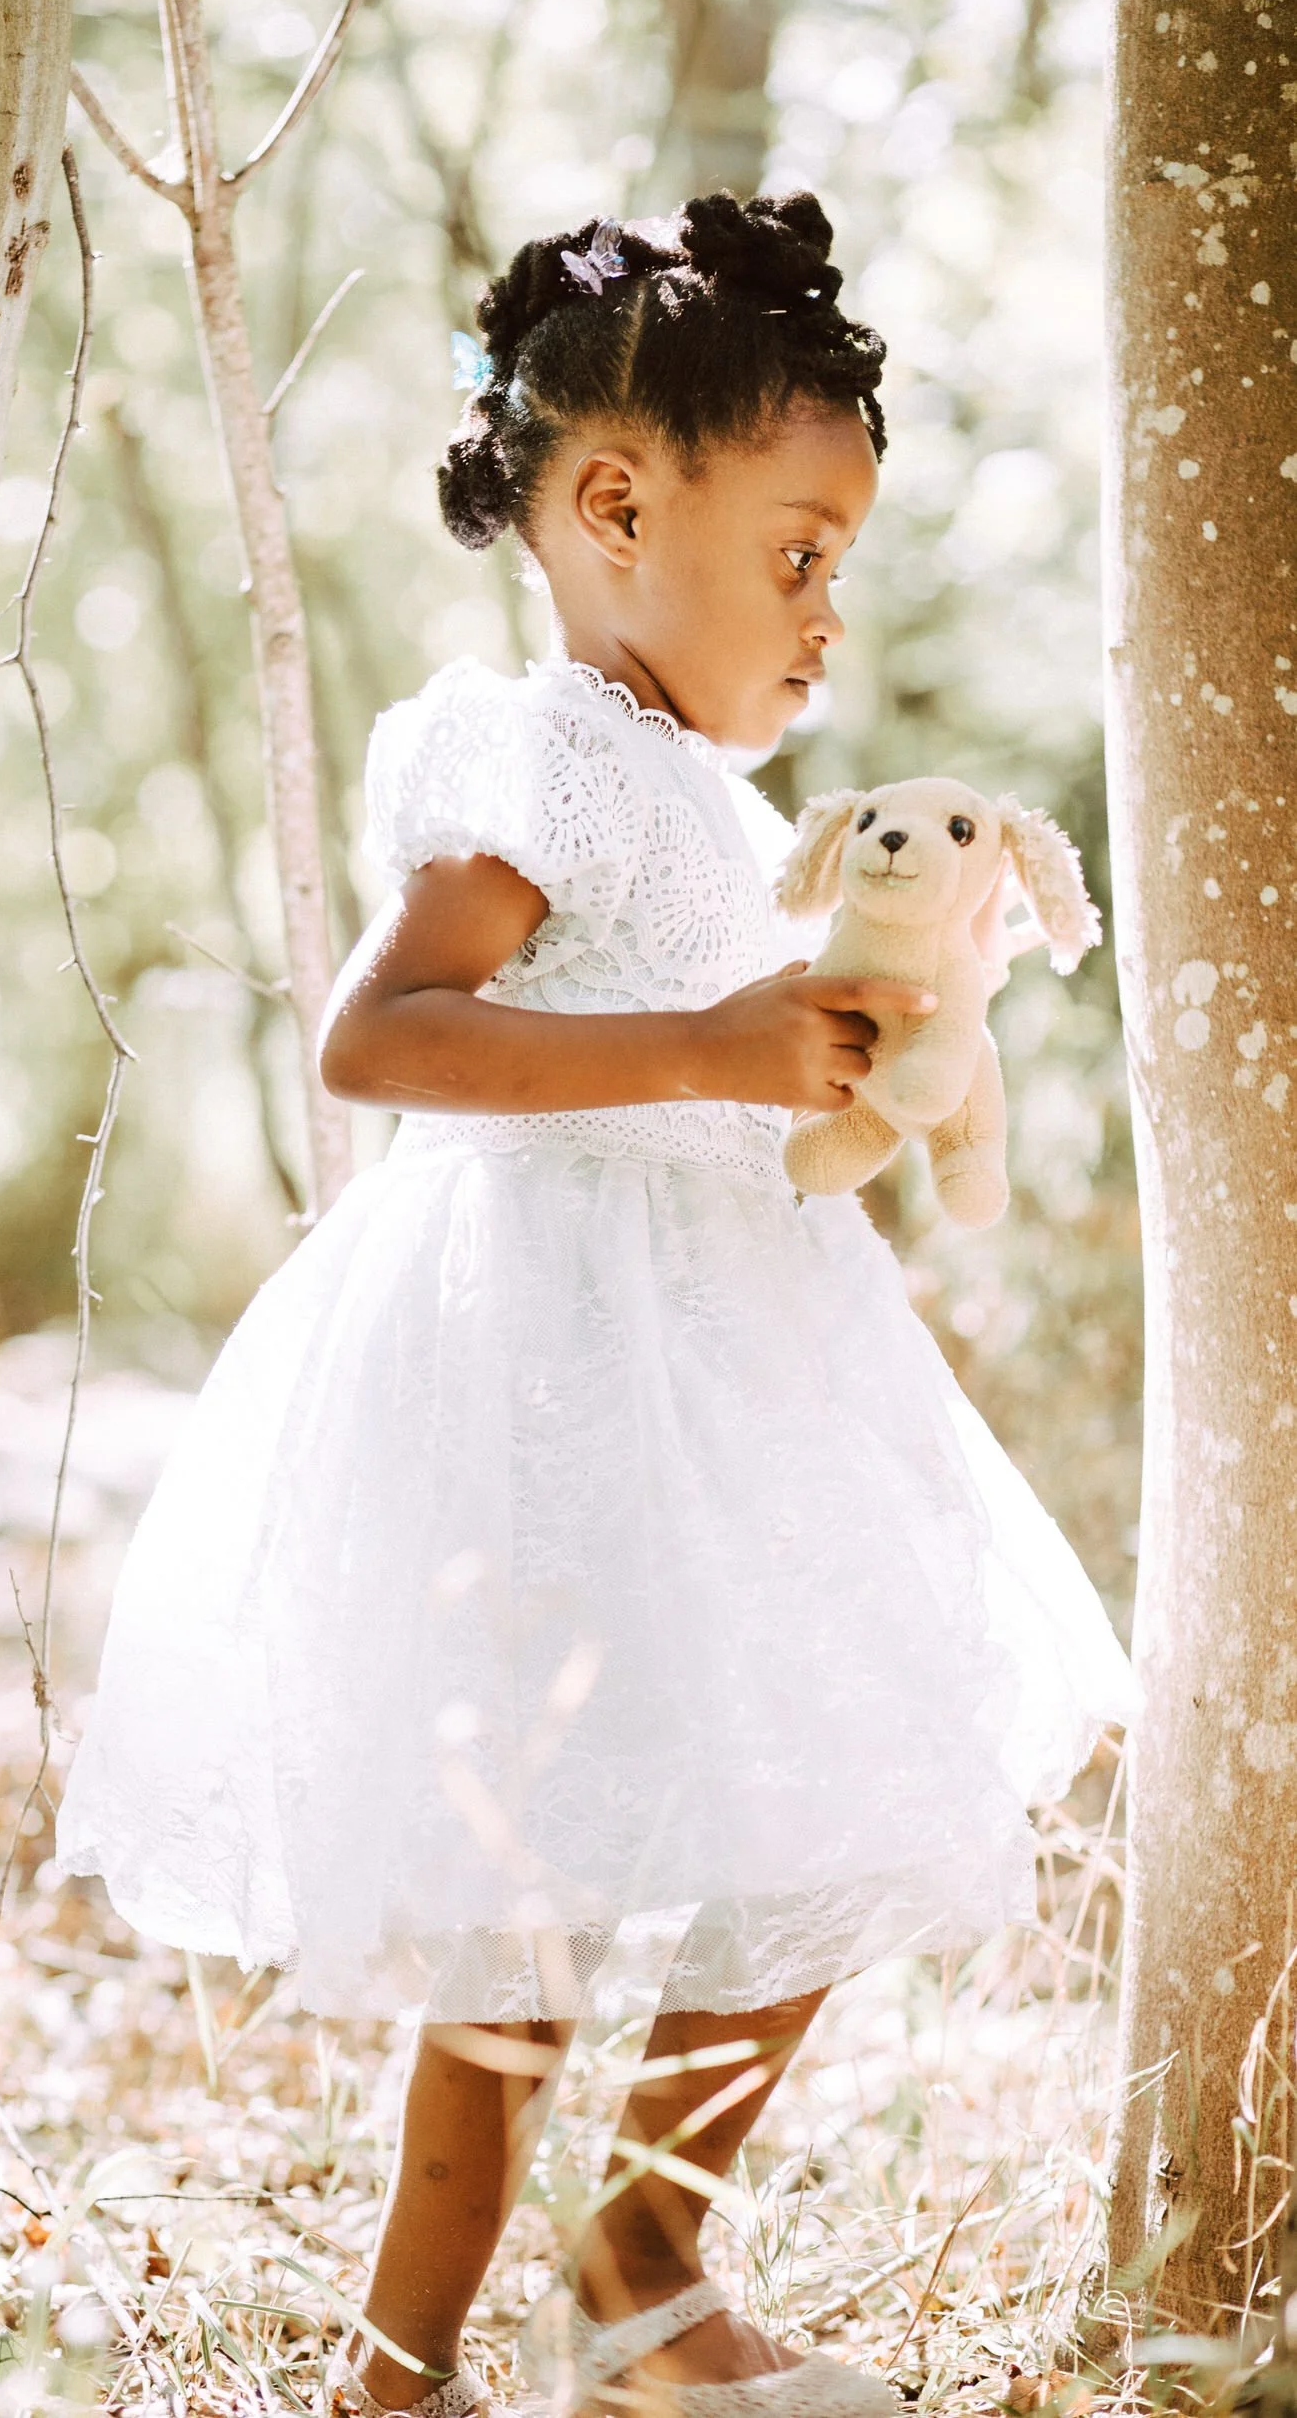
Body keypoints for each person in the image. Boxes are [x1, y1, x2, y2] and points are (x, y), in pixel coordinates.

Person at [56, 190, 1137, 2418]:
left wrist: (874, 1029)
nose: (827, 613)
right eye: (799, 552)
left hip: (737, 1364)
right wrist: (711, 1048)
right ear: (618, 511)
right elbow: (380, 1037)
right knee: (523, 1898)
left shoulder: (717, 799)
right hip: (547, 1366)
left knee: (838, 1767)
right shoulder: (539, 755)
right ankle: (400, 2362)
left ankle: (643, 2266)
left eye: (841, 562)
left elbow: (760, 1032)